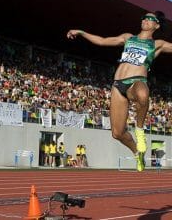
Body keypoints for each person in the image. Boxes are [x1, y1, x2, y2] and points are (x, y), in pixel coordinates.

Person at [67, 11, 172, 171]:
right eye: (144, 17)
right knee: (117, 133)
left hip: (136, 81)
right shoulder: (128, 37)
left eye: (150, 19)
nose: (145, 20)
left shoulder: (158, 44)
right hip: (118, 85)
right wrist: (81, 32)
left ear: (156, 25)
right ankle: (137, 153)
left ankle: (139, 131)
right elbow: (102, 41)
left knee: (143, 94)